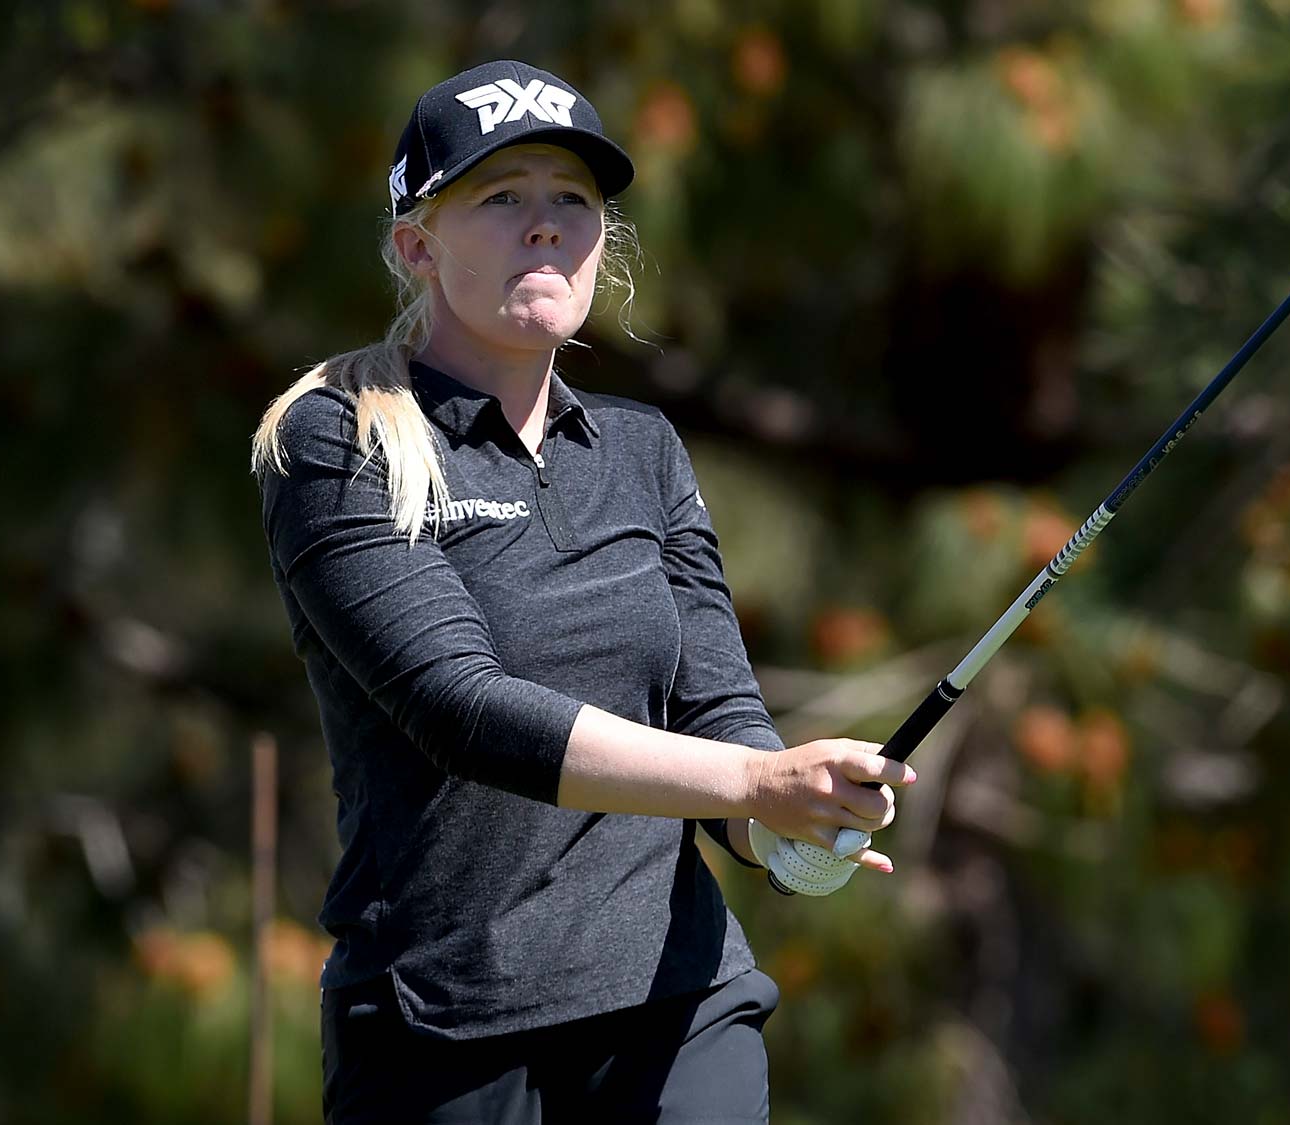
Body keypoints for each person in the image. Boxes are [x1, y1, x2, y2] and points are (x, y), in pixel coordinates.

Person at [250, 59, 914, 1124]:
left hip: (673, 1002)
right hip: (442, 1028)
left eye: (572, 200)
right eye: (501, 197)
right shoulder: (336, 438)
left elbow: (719, 715)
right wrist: (752, 786)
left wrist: (787, 828)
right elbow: (462, 712)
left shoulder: (642, 449)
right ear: (417, 244)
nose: (546, 226)